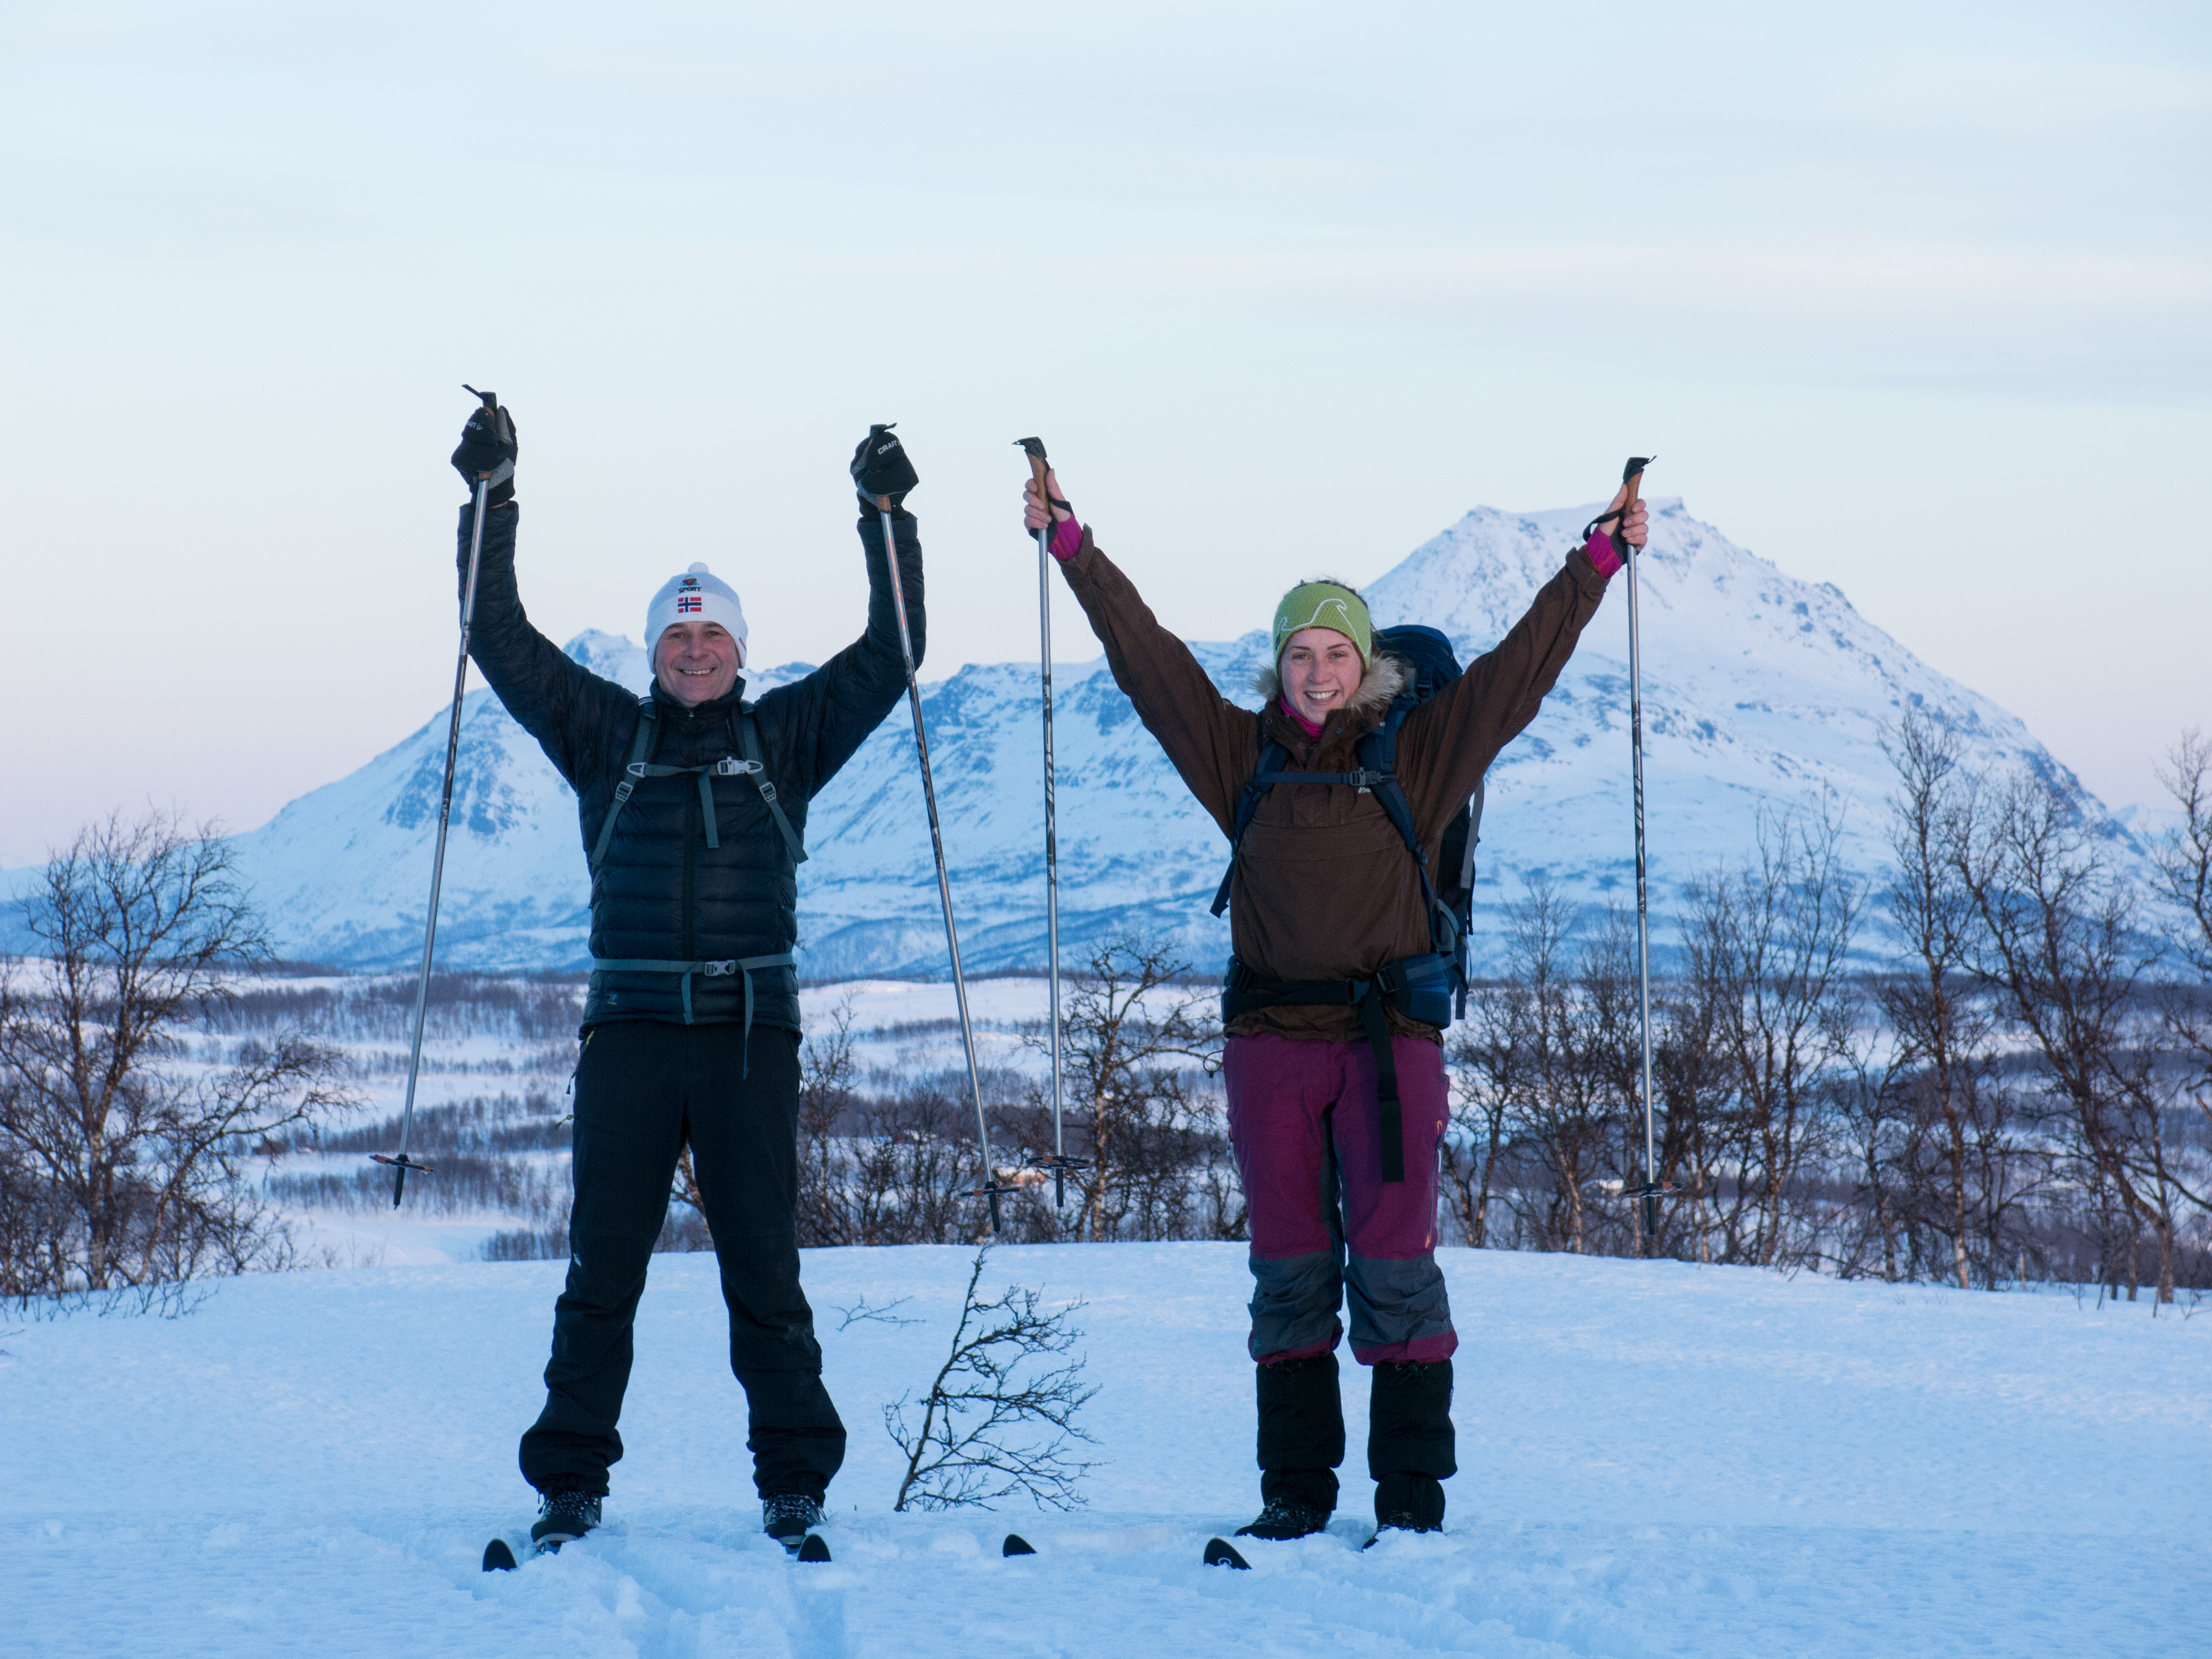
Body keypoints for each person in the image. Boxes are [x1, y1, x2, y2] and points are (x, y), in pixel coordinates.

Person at [1020, 460, 1646, 1543]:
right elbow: (1149, 666)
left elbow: (1513, 677)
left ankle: (1408, 1500)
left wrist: (1594, 560)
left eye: (1334, 654)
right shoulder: (1240, 757)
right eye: (1299, 655)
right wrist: (1073, 547)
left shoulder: (1420, 756)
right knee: (1289, 1271)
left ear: (1362, 667)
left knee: (1395, 1268)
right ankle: (1294, 1499)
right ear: (1280, 667)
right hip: (1269, 1045)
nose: (1316, 672)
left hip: (1385, 1048)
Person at [447, 401, 926, 1553]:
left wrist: (885, 516)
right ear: (653, 652)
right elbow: (495, 635)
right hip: (630, 1034)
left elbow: (893, 649)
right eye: (676, 639)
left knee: (765, 1272)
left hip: (751, 1036)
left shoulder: (790, 740)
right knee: (601, 1272)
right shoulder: (604, 734)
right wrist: (490, 497)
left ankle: (793, 1481)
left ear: (740, 653)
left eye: (712, 640)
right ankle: (570, 1482)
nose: (695, 653)